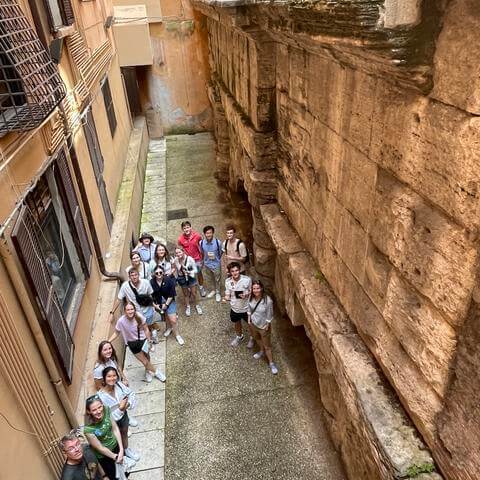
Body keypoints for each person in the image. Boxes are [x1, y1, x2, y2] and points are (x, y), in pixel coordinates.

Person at [109, 302, 166, 383]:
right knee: (144, 361)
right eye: (128, 310)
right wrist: (108, 341)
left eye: (132, 309)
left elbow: (146, 328)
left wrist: (149, 340)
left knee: (147, 357)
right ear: (125, 311)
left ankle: (148, 371)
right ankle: (157, 372)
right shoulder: (121, 321)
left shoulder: (139, 316)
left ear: (134, 310)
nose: (130, 311)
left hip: (143, 340)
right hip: (132, 344)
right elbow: (116, 332)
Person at [98, 367, 140, 462]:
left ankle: (126, 450)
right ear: (104, 378)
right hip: (112, 422)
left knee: (124, 433)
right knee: (116, 440)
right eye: (109, 376)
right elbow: (103, 414)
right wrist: (120, 409)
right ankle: (121, 456)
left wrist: (127, 405)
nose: (112, 378)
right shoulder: (101, 396)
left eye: (114, 376)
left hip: (124, 417)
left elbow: (131, 394)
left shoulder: (119, 385)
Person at [110, 269, 160, 346]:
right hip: (136, 313)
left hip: (148, 310)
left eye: (135, 275)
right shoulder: (125, 286)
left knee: (149, 324)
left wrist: (154, 305)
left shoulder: (146, 282)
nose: (134, 277)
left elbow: (150, 295)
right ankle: (148, 340)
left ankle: (151, 334)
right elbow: (119, 299)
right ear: (129, 277)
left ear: (139, 275)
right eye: (132, 275)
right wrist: (112, 312)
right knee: (142, 327)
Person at [84, 396, 129, 480]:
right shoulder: (88, 429)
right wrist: (115, 457)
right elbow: (100, 448)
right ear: (88, 411)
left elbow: (114, 428)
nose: (98, 411)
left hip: (116, 446)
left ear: (102, 405)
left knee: (125, 471)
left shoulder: (106, 409)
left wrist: (121, 449)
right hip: (106, 456)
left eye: (100, 407)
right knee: (115, 476)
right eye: (94, 410)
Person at [248, 280, 278, 374]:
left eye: (257, 288)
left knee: (267, 346)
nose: (255, 290)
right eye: (254, 288)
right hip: (253, 323)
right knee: (257, 339)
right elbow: (249, 308)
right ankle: (261, 351)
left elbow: (270, 314)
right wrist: (249, 319)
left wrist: (267, 325)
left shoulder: (267, 301)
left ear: (261, 288)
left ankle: (271, 363)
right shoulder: (251, 297)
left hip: (263, 326)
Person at [151, 265, 184, 345]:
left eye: (160, 272)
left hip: (169, 301)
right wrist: (155, 306)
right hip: (159, 303)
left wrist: (166, 304)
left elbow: (172, 294)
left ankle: (177, 335)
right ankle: (169, 327)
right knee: (166, 316)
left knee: (173, 319)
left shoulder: (169, 280)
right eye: (157, 273)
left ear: (163, 273)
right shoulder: (151, 282)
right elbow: (150, 295)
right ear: (154, 274)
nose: (159, 274)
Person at [224, 262, 254, 347]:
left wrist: (247, 294)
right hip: (235, 308)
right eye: (232, 271)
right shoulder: (228, 281)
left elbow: (252, 291)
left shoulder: (247, 279)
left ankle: (252, 338)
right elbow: (227, 293)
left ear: (239, 270)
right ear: (230, 272)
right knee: (237, 323)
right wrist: (226, 297)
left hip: (246, 308)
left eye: (236, 270)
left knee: (250, 324)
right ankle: (239, 336)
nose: (235, 273)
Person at [177, 221, 206, 297]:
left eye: (187, 227)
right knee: (190, 274)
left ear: (190, 227)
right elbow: (180, 250)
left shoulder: (197, 236)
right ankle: (191, 287)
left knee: (199, 273)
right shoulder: (180, 239)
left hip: (197, 260)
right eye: (184, 228)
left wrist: (202, 259)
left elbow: (201, 247)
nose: (186, 229)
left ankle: (201, 287)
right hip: (188, 261)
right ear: (182, 229)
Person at [174, 246, 202, 316]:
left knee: (194, 293)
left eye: (179, 252)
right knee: (185, 294)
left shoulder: (190, 259)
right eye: (176, 253)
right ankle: (188, 306)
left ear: (183, 252)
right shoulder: (176, 260)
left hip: (190, 277)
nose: (178, 254)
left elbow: (195, 270)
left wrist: (189, 272)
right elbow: (178, 269)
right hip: (182, 278)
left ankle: (197, 305)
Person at [200, 225, 223, 302]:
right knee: (209, 279)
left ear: (213, 233)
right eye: (207, 233)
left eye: (210, 233)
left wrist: (217, 260)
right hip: (207, 264)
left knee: (217, 279)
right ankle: (213, 290)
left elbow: (221, 252)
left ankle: (218, 292)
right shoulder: (201, 243)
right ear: (204, 234)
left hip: (216, 264)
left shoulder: (218, 242)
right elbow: (202, 253)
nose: (208, 235)